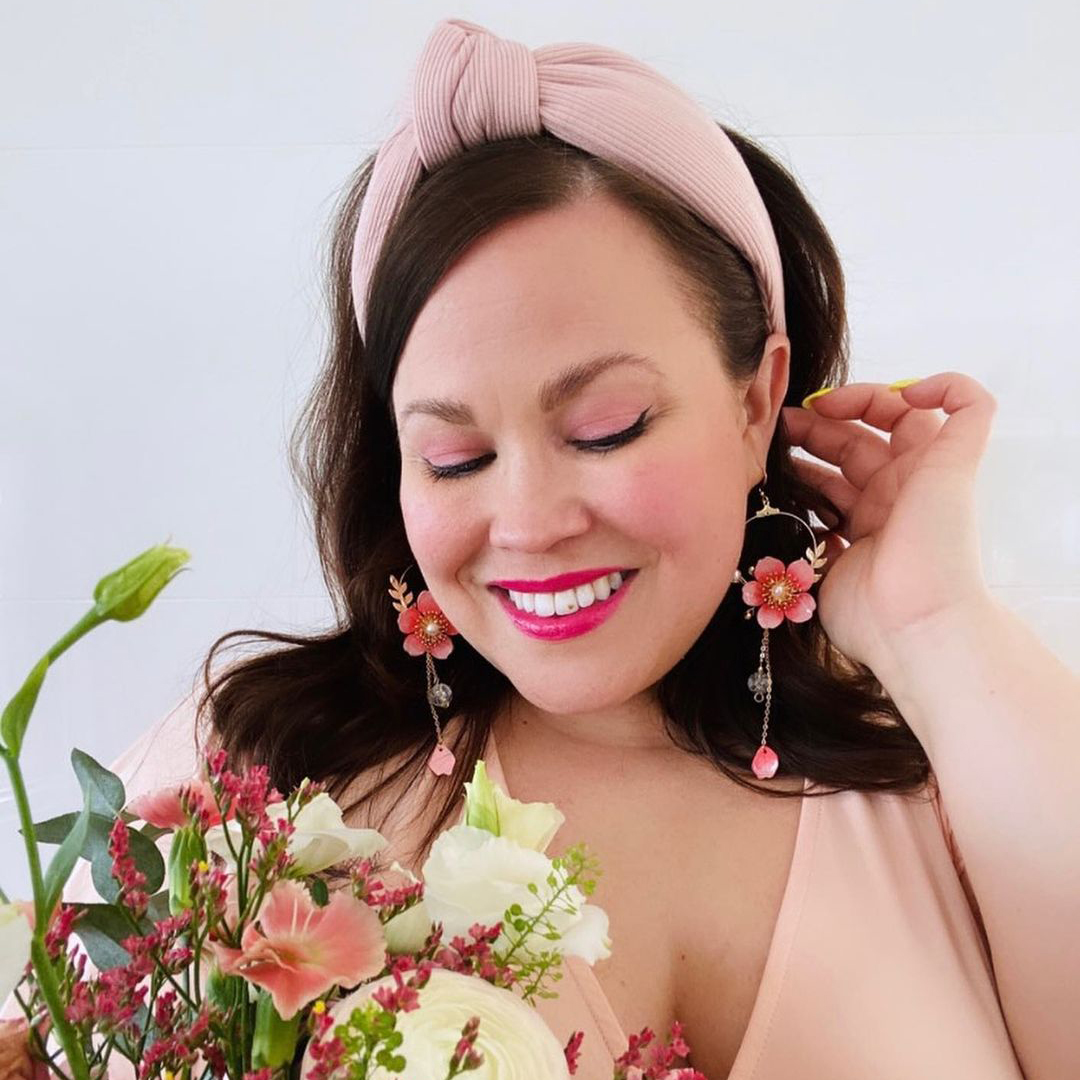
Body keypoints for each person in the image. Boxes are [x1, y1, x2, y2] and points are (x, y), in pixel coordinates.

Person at [5, 17, 1077, 1080]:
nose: (527, 522)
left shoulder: (951, 758)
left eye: (606, 429)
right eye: (456, 457)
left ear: (757, 399)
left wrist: (934, 624)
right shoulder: (247, 789)